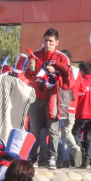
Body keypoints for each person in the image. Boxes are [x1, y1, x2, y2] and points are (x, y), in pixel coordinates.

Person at [24, 28, 73, 169]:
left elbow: (69, 78)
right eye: (45, 40)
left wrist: (56, 70)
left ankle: (52, 158)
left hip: (54, 98)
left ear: (57, 42)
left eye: (51, 41)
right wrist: (29, 68)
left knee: (52, 130)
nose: (47, 43)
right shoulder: (35, 55)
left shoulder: (62, 57)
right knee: (34, 129)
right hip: (36, 97)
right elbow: (28, 76)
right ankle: (32, 157)